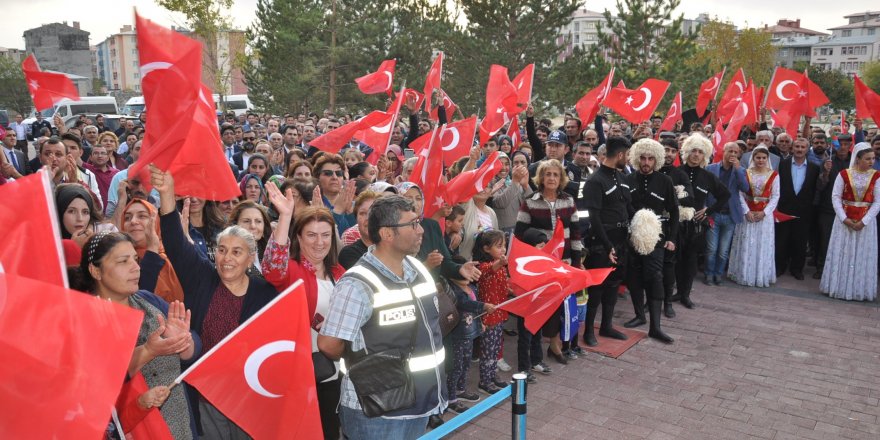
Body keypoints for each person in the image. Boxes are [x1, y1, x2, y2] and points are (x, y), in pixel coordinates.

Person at [151, 164, 278, 439]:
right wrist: (167, 196)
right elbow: (175, 243)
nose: (227, 258)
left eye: (236, 252)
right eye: (221, 250)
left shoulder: (266, 293)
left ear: (249, 259)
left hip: (248, 396)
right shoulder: (202, 277)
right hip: (205, 395)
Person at [317, 195, 447, 438]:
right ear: (388, 234)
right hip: (377, 412)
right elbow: (328, 344)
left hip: (420, 402)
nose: (420, 230)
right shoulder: (357, 284)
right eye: (412, 224)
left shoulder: (418, 268)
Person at [74, 232, 195, 439]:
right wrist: (148, 351)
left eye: (135, 259)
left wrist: (182, 341)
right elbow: (101, 377)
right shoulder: (85, 319)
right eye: (123, 261)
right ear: (96, 271)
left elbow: (191, 352)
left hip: (178, 422)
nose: (136, 268)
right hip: (136, 429)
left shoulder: (147, 300)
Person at [263, 183, 346, 439]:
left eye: (325, 235)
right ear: (298, 238)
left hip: (335, 375)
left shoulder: (339, 273)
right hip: (299, 377)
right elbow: (272, 269)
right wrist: (286, 218)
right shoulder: (293, 270)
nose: (319, 242)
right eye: (311, 235)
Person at [515, 159, 582, 362]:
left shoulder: (569, 200)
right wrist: (537, 239)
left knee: (564, 305)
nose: (551, 178)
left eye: (555, 174)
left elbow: (577, 233)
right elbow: (519, 233)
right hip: (542, 265)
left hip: (566, 262)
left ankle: (559, 344)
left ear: (561, 178)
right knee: (546, 306)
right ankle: (543, 350)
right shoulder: (531, 201)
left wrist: (577, 262)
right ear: (541, 178)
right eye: (547, 174)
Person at [621, 139, 677, 344]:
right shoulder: (627, 179)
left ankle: (656, 327)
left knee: (655, 277)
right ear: (637, 158)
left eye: (650, 158)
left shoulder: (665, 181)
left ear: (657, 159)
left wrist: (672, 238)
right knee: (634, 277)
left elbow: (674, 210)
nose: (646, 162)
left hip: (657, 238)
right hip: (632, 237)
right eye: (643, 158)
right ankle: (639, 315)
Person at [582, 136, 632, 347]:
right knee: (597, 288)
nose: (628, 159)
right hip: (602, 242)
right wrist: (607, 245)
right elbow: (594, 217)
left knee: (613, 284)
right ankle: (588, 331)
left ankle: (607, 326)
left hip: (621, 240)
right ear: (620, 155)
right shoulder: (595, 181)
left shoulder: (621, 177)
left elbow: (626, 208)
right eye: (627, 154)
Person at [820, 143, 880, 301]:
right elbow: (835, 197)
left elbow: (878, 202)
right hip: (844, 222)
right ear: (858, 158)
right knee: (842, 252)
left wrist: (864, 221)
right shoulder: (844, 174)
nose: (871, 161)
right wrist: (843, 218)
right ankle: (838, 286)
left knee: (862, 254)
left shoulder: (876, 176)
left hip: (865, 224)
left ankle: (859, 289)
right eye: (867, 159)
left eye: (873, 158)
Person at [677, 135, 729, 308]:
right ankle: (674, 292)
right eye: (693, 151)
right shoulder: (676, 173)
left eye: (700, 152)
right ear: (686, 152)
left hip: (696, 227)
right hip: (676, 224)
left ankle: (685, 295)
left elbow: (725, 195)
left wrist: (709, 211)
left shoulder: (707, 176)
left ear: (705, 155)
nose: (696, 155)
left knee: (691, 262)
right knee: (675, 261)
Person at [727, 146, 780, 287]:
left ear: (767, 159)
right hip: (748, 214)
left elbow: (775, 196)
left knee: (762, 244)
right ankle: (744, 273)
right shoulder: (746, 173)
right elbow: (740, 194)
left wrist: (765, 212)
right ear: (753, 158)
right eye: (758, 157)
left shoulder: (774, 175)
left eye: (764, 158)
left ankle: (760, 274)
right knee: (746, 243)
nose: (761, 160)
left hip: (764, 216)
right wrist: (746, 211)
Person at [119, 198, 185, 303]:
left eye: (142, 216)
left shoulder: (174, 256)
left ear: (156, 222)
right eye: (127, 218)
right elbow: (137, 301)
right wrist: (152, 250)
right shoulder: (117, 259)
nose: (133, 221)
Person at [775, 137, 822, 280]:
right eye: (797, 147)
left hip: (804, 211)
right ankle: (780, 267)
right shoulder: (782, 164)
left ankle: (797, 269)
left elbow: (816, 189)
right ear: (792, 148)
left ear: (807, 149)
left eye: (803, 147)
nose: (800, 150)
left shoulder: (814, 168)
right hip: (784, 209)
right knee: (782, 240)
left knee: (800, 241)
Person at [705, 142, 749, 285]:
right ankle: (709, 274)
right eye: (730, 151)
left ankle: (718, 274)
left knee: (723, 250)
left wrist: (738, 169)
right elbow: (705, 191)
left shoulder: (740, 170)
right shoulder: (711, 168)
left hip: (730, 215)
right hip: (714, 213)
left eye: (736, 153)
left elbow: (745, 188)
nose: (733, 155)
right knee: (711, 248)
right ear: (723, 152)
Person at [472, 230, 508, 394]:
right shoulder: (483, 266)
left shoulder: (500, 266)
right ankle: (485, 381)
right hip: (488, 316)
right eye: (499, 246)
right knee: (487, 350)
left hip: (499, 313)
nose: (503, 249)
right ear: (486, 249)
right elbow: (490, 269)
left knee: (495, 349)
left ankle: (492, 375)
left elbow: (503, 285)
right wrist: (500, 263)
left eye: (504, 246)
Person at [339, 191, 381, 269]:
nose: (368, 218)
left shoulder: (396, 247)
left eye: (374, 212)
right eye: (363, 213)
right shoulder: (349, 254)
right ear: (356, 219)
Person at [228, 201, 272, 273]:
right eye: (246, 221)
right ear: (234, 225)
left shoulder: (269, 253)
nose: (253, 226)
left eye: (258, 221)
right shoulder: (227, 255)